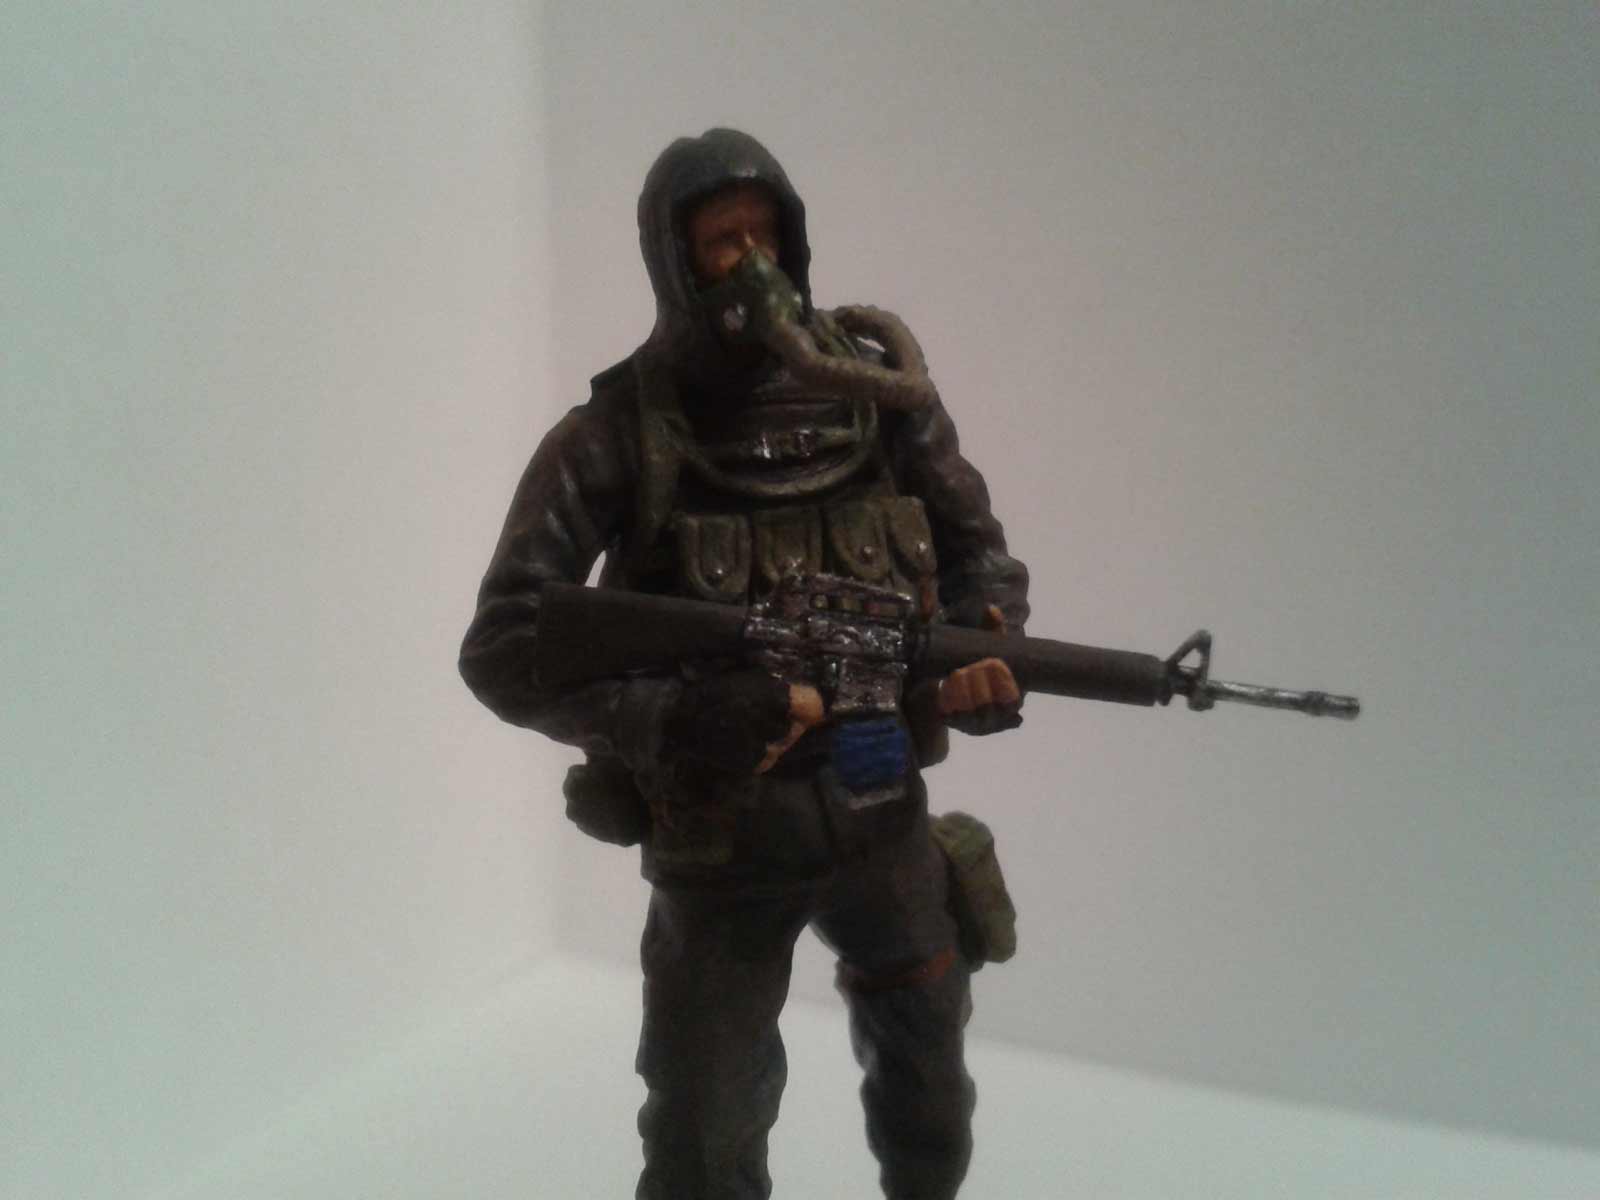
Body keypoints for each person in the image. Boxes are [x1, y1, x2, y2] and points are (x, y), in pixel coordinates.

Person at [460, 128, 1029, 1200]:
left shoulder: (876, 396)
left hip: (881, 809)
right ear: (674, 263)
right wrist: (668, 722)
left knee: (930, 1083)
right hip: (723, 841)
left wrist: (984, 645)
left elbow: (979, 556)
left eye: (765, 235)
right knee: (706, 1121)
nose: (752, 264)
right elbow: (503, 646)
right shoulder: (615, 433)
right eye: (723, 243)